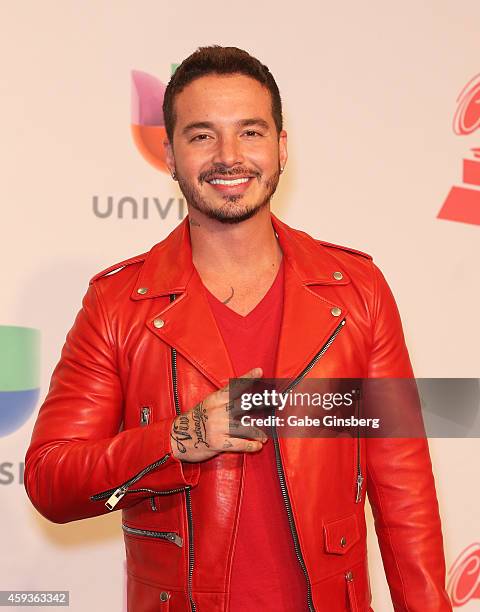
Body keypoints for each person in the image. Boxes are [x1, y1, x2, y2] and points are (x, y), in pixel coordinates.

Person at [24, 45, 452, 611]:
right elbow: (52, 479)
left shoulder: (355, 290)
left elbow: (404, 491)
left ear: (281, 147)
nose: (229, 156)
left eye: (250, 132)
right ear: (170, 155)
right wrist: (178, 439)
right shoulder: (119, 304)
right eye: (202, 135)